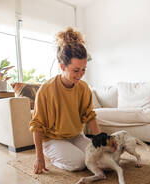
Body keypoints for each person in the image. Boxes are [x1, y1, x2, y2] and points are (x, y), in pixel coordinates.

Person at [29, 27, 101, 174]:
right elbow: (37, 125)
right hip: (53, 139)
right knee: (79, 162)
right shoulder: (46, 90)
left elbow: (89, 115)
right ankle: (54, 157)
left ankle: (74, 152)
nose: (80, 74)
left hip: (76, 136)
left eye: (83, 69)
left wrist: (101, 140)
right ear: (62, 66)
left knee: (100, 157)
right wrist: (39, 157)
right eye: (76, 70)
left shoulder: (83, 88)